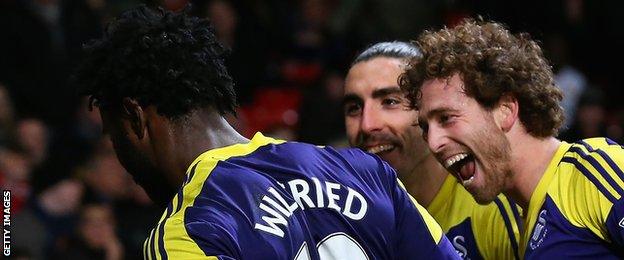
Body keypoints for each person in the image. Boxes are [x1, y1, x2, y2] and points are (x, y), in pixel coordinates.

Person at [73, 6, 459, 259]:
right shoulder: (362, 170)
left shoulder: (188, 232)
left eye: (114, 135)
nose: (120, 156)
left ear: (134, 118)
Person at [400, 19, 624, 258]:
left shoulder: (590, 173)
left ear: (505, 110)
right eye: (425, 127)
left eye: (446, 118)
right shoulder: (528, 232)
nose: (433, 143)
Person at [343, 41, 521, 259]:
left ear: (428, 109)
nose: (367, 125)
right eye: (354, 108)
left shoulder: (492, 205)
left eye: (389, 102)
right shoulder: (345, 221)